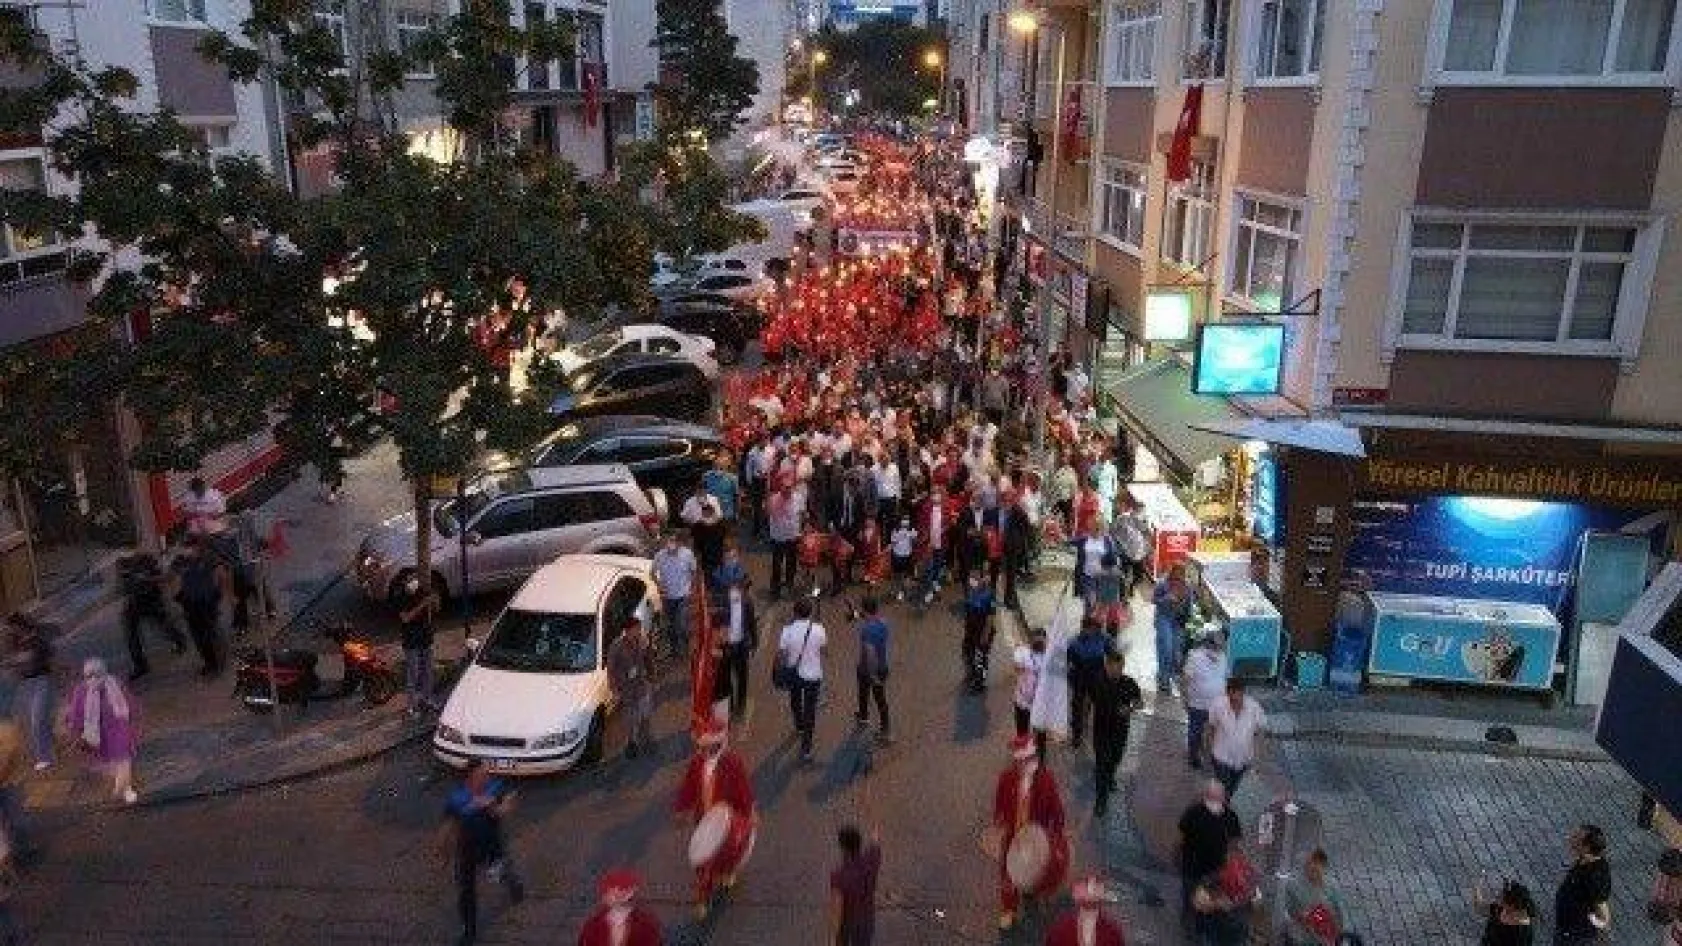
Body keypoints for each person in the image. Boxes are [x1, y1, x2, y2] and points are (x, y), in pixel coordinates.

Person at [672, 720, 757, 919]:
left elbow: (743, 789)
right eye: (702, 746)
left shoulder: (733, 762)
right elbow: (688, 788)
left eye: (709, 746)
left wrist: (750, 812)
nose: (704, 750)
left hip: (728, 819)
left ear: (719, 744)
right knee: (704, 858)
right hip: (704, 819)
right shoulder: (696, 763)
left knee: (728, 850)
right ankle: (703, 897)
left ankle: (727, 871)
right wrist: (681, 809)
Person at [438, 760, 524, 946]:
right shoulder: (457, 798)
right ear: (470, 777)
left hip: (491, 846)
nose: (486, 777)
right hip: (467, 850)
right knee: (466, 890)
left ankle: (513, 884)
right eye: (482, 774)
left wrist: (490, 805)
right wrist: (442, 851)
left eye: (486, 774)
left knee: (499, 873)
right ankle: (469, 930)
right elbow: (448, 826)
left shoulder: (495, 787)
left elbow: (506, 808)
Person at [991, 733, 1068, 930]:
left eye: (1029, 759)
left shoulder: (1046, 780)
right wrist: (999, 821)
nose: (1025, 764)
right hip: (1014, 836)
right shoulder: (1007, 778)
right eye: (1021, 761)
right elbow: (1000, 802)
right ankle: (1008, 909)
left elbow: (1056, 808)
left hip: (1036, 836)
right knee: (1009, 872)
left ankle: (1031, 890)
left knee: (1033, 868)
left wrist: (1057, 831)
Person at [64, 658, 140, 805]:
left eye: (97, 675)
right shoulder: (81, 691)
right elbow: (76, 713)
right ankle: (123, 787)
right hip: (98, 735)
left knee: (124, 760)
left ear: (104, 674)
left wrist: (134, 722)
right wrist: (75, 730)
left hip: (119, 731)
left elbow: (130, 704)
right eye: (89, 676)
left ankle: (122, 791)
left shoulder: (115, 684)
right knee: (110, 764)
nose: (93, 679)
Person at [1177, 780, 1242, 923]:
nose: (1215, 802)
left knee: (1210, 897)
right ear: (1205, 796)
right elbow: (1181, 836)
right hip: (1192, 865)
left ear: (1224, 798)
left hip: (1216, 868)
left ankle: (1203, 918)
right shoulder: (1193, 813)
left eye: (1217, 798)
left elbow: (1234, 842)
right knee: (1190, 895)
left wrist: (1230, 862)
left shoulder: (1231, 817)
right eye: (1212, 797)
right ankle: (1188, 919)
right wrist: (1178, 854)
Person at [169, 533, 231, 677]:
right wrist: (176, 594)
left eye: (191, 545)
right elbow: (170, 576)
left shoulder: (209, 557)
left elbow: (223, 575)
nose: (188, 548)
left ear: (199, 545)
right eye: (186, 545)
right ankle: (209, 663)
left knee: (211, 632)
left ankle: (218, 663)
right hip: (189, 602)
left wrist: (221, 594)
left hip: (207, 601)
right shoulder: (181, 560)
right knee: (197, 634)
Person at [1090, 647, 1142, 818]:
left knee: (1115, 759)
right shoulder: (1097, 681)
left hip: (1120, 732)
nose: (1116, 671)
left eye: (1119, 668)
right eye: (1112, 667)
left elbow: (1140, 703)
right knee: (1101, 766)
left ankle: (1111, 776)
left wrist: (1129, 709)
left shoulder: (1129, 683)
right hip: (1101, 732)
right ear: (1106, 665)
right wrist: (1083, 724)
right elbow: (1088, 701)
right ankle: (1101, 801)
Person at [118, 551, 186, 680]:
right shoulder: (122, 563)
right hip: (133, 603)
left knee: (164, 626)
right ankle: (140, 665)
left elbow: (163, 578)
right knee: (131, 635)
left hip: (151, 600)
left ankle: (179, 640)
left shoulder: (147, 559)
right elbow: (123, 584)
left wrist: (146, 579)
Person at [776, 597, 827, 763]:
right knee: (810, 710)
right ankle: (806, 748)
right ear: (810, 613)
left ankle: (799, 725)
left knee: (795, 700)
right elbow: (824, 651)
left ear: (795, 612)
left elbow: (781, 655)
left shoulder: (787, 631)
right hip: (813, 675)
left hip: (794, 673)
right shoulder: (819, 629)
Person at [1205, 679, 1266, 800]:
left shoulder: (1254, 708)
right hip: (1221, 757)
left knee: (1233, 787)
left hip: (1243, 759)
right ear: (1227, 693)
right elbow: (1210, 727)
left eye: (1237, 698)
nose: (1234, 702)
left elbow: (1260, 731)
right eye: (1231, 698)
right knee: (1224, 787)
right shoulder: (1217, 705)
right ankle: (1223, 805)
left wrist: (1258, 757)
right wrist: (1209, 749)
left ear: (1243, 693)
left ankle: (1225, 802)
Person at [1192, 838, 1260, 945]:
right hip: (1227, 921)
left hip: (1230, 922)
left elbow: (1252, 897)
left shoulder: (1243, 870)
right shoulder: (1230, 868)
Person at [606, 616, 657, 759]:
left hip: (641, 685)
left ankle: (647, 739)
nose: (639, 631)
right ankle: (631, 744)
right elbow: (610, 670)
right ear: (628, 630)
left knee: (645, 714)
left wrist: (652, 674)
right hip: (626, 689)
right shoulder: (616, 646)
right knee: (630, 719)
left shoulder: (642, 641)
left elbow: (648, 659)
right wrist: (614, 690)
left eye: (639, 628)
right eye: (636, 628)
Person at [7, 616, 54, 770]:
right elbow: (13, 664)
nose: (11, 631)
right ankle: (40, 752)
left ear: (20, 626)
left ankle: (44, 757)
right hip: (25, 684)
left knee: (38, 718)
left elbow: (49, 660)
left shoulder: (37, 641)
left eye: (13, 628)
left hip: (41, 681)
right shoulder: (15, 644)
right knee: (26, 720)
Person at [1553, 824, 1611, 944]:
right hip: (1566, 925)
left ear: (1587, 848)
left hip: (1575, 934)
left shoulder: (1595, 878)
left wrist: (1597, 929)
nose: (1569, 838)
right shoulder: (1585, 859)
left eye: (1575, 838)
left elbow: (1603, 912)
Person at [576, 868, 663, 946]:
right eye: (609, 890)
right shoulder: (593, 924)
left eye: (621, 889)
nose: (615, 894)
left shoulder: (646, 924)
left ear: (631, 892)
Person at [712, 579, 759, 721]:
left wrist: (755, 643)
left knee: (742, 677)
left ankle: (741, 705)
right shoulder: (722, 604)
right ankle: (730, 706)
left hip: (741, 646)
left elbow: (751, 623)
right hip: (726, 647)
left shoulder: (747, 603)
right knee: (726, 678)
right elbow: (716, 625)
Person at [829, 824, 883, 946]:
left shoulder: (839, 876)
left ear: (843, 848)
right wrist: (875, 832)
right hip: (867, 917)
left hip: (848, 921)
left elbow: (837, 909)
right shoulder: (871, 859)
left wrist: (833, 938)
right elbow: (875, 843)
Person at [1181, 633, 1229, 770]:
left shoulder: (1223, 657)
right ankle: (1193, 756)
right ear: (1207, 644)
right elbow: (1185, 679)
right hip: (1197, 704)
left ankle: (1210, 757)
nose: (1218, 649)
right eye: (1216, 646)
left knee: (1214, 732)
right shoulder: (1195, 657)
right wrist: (1185, 699)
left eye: (1220, 646)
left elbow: (1225, 679)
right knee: (1195, 731)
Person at [395, 573, 439, 715]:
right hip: (411, 640)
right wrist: (423, 604)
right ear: (404, 583)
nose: (413, 582)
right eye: (409, 580)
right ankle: (411, 705)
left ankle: (427, 699)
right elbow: (406, 618)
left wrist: (434, 601)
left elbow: (436, 609)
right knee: (413, 673)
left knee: (428, 671)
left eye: (414, 579)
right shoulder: (400, 597)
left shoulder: (423, 591)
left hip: (426, 637)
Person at [1284, 849, 1347, 945]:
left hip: (1326, 936)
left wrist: (1336, 932)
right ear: (1305, 866)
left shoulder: (1332, 886)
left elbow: (1340, 913)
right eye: (1309, 863)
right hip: (1302, 936)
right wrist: (1304, 917)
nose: (1312, 866)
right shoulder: (1292, 886)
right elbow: (1291, 911)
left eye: (1316, 864)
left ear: (1324, 866)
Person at [651, 531, 699, 658]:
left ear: (679, 543)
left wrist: (692, 588)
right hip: (667, 597)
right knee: (670, 625)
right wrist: (659, 585)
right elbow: (652, 573)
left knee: (681, 624)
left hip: (683, 596)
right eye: (668, 541)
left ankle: (685, 646)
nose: (670, 544)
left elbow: (694, 571)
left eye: (673, 541)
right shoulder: (659, 556)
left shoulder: (687, 554)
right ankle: (674, 649)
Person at [1065, 617, 1109, 751]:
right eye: (1085, 628)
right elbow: (1068, 660)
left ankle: (1098, 732)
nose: (1087, 631)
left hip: (1095, 676)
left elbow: (1113, 655)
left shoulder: (1102, 639)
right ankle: (1077, 735)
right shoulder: (1075, 642)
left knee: (1098, 704)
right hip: (1082, 677)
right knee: (1078, 705)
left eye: (1089, 629)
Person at [1044, 875, 1126, 946]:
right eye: (1085, 883)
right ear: (1074, 893)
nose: (1091, 889)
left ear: (1104, 892)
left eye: (1097, 883)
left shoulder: (1113, 932)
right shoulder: (1059, 930)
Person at [853, 596, 890, 742]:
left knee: (876, 698)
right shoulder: (883, 623)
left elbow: (870, 653)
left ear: (865, 610)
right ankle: (864, 716)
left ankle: (884, 730)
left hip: (869, 670)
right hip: (882, 666)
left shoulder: (867, 630)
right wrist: (854, 612)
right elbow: (863, 617)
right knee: (870, 696)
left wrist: (872, 674)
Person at [1151, 564, 1192, 693]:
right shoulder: (1162, 584)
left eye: (1181, 575)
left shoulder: (1187, 586)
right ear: (1172, 573)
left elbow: (1189, 604)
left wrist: (1187, 617)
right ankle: (1164, 679)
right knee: (1166, 648)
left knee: (1175, 651)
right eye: (1176, 575)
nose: (1178, 578)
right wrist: (1166, 598)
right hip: (1163, 618)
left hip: (1178, 621)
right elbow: (1153, 599)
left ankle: (1166, 673)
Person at [0, 719, 35, 861]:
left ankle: (23, 848)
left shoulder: (6, 730)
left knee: (18, 821)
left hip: (9, 783)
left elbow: (10, 758)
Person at [768, 481, 805, 599]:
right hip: (778, 537)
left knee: (791, 562)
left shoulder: (798, 498)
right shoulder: (773, 499)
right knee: (777, 563)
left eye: (789, 487)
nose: (787, 490)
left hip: (793, 536)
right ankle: (775, 587)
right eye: (785, 487)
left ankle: (790, 583)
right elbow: (769, 514)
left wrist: (801, 530)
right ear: (781, 487)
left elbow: (802, 514)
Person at [961, 573, 996, 693]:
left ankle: (980, 683)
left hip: (982, 630)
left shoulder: (989, 595)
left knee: (981, 658)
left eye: (976, 579)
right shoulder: (971, 591)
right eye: (971, 578)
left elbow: (991, 617)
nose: (972, 581)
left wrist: (985, 634)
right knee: (967, 652)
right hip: (971, 629)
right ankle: (971, 674)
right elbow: (968, 611)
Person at [1011, 630, 1047, 739]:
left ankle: (1039, 747)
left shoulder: (1049, 657)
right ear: (1030, 641)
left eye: (1042, 640)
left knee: (1040, 732)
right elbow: (1017, 666)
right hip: (1023, 700)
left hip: (1041, 701)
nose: (1039, 642)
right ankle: (1024, 744)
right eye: (1036, 639)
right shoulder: (1022, 653)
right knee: (1022, 731)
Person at [1479, 880, 1537, 945]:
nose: (1500, 900)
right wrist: (1476, 891)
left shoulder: (1521, 933)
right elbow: (1481, 908)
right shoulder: (1501, 909)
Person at [689, 496, 730, 584]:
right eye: (704, 512)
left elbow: (726, 541)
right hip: (705, 558)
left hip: (717, 557)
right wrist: (695, 557)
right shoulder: (698, 526)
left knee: (717, 579)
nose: (706, 514)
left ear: (712, 512)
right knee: (708, 580)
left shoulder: (720, 524)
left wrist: (726, 555)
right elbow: (694, 543)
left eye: (708, 512)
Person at [702, 453, 740, 523]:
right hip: (711, 513)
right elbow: (703, 492)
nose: (719, 466)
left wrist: (736, 512)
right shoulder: (706, 476)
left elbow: (736, 497)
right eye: (716, 464)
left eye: (722, 464)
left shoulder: (732, 478)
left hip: (726, 513)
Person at [889, 516, 918, 602]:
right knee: (897, 575)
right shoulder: (895, 531)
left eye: (907, 519)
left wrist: (912, 535)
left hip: (907, 556)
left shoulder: (912, 530)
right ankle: (896, 590)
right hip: (897, 556)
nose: (905, 521)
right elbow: (893, 542)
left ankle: (904, 591)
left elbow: (915, 541)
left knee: (907, 575)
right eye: (903, 519)